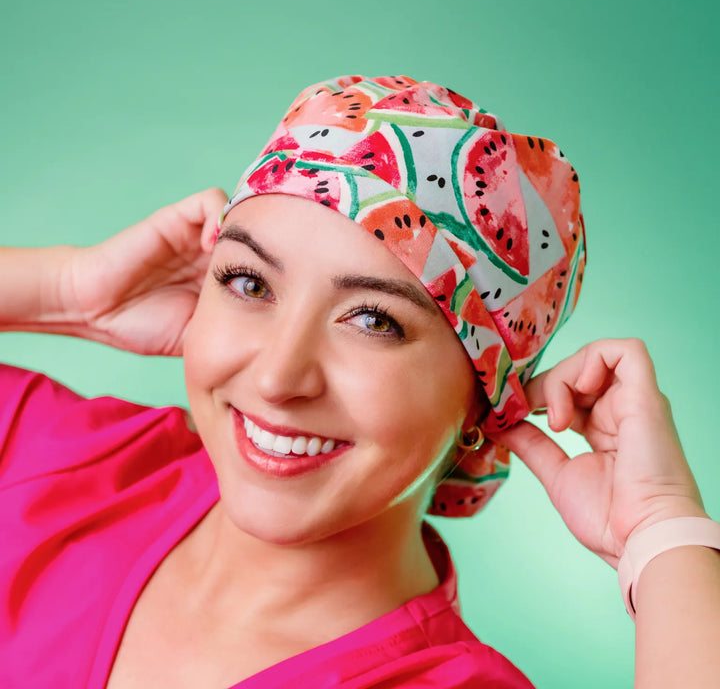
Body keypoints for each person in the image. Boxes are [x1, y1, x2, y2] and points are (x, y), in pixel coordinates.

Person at [0, 75, 718, 689]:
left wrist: (661, 533)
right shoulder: (63, 463)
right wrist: (67, 291)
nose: (279, 376)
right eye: (249, 282)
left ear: (485, 400)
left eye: (373, 320)